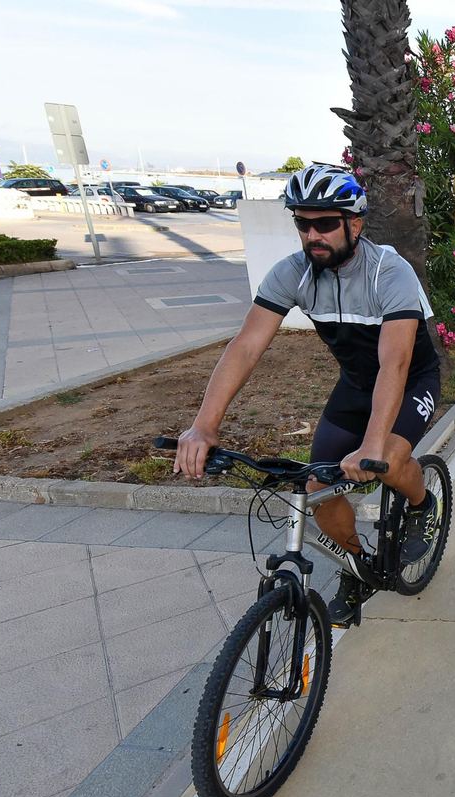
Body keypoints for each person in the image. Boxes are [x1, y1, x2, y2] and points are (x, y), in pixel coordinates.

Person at [174, 164, 441, 627]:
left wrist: (374, 444)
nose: (312, 234)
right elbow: (246, 346)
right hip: (355, 386)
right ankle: (357, 567)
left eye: (325, 223)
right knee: (317, 487)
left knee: (392, 461)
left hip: (411, 380)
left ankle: (423, 506)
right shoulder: (293, 274)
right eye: (303, 223)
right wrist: (205, 425)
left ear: (354, 224)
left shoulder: (390, 273)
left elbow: (395, 363)